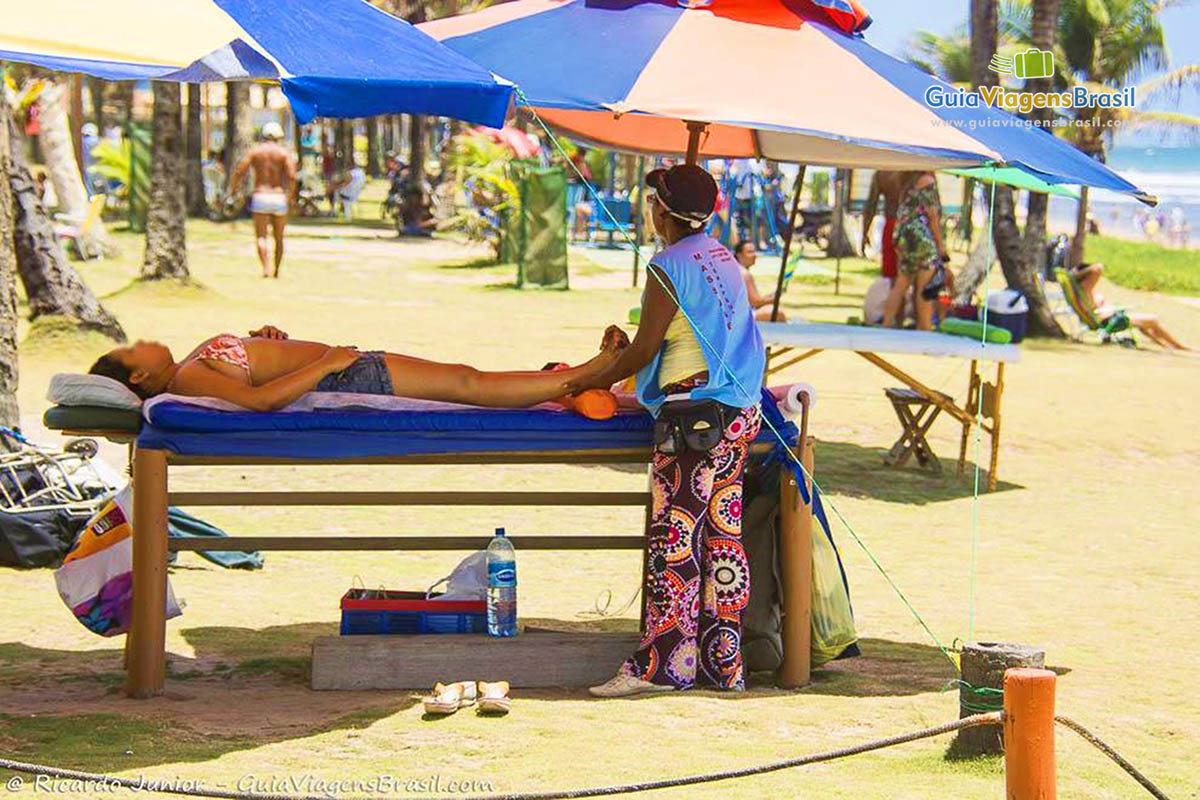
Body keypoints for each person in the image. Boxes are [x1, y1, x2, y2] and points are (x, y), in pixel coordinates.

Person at [575, 164, 766, 698]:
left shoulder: (666, 266)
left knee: (676, 542)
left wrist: (587, 376)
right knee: (721, 544)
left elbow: (644, 351)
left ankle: (662, 669)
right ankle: (722, 666)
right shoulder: (722, 256)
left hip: (692, 424)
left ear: (661, 211)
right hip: (736, 413)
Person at [88, 325, 622, 411]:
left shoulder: (189, 366)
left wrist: (261, 341)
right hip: (347, 375)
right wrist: (324, 363)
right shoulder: (184, 380)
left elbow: (255, 378)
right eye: (135, 349)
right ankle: (587, 375)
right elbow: (257, 402)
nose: (145, 342)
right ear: (138, 377)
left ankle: (573, 375)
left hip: (342, 367)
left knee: (465, 374)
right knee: (467, 383)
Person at [228, 122, 296, 278]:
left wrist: (234, 189)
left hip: (260, 195)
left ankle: (266, 268)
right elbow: (292, 176)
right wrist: (290, 197)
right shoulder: (283, 153)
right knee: (279, 237)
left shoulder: (255, 152)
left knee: (261, 236)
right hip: (278, 196)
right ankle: (277, 270)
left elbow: (240, 170)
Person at [1072, 262, 1189, 351]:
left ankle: (1168, 346)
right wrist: (1077, 274)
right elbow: (1098, 268)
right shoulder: (1086, 288)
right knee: (1153, 320)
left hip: (1108, 318)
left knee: (1145, 324)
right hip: (1110, 321)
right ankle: (1180, 347)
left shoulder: (1081, 291)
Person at [883, 171, 948, 331]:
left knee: (901, 284)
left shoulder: (905, 181)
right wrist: (940, 245)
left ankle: (885, 324)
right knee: (924, 287)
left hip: (904, 239)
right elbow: (932, 216)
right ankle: (925, 327)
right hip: (921, 238)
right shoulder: (927, 180)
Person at [861, 170, 905, 282]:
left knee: (891, 277)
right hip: (910, 224)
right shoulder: (915, 169)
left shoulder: (882, 174)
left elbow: (870, 206)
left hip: (892, 224)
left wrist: (864, 233)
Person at [733, 240, 788, 321]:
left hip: (734, 314)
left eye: (754, 251)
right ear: (739, 255)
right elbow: (755, 302)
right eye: (750, 252)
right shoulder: (744, 274)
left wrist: (770, 297)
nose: (754, 255)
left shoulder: (736, 269)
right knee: (778, 313)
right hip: (739, 317)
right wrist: (774, 299)